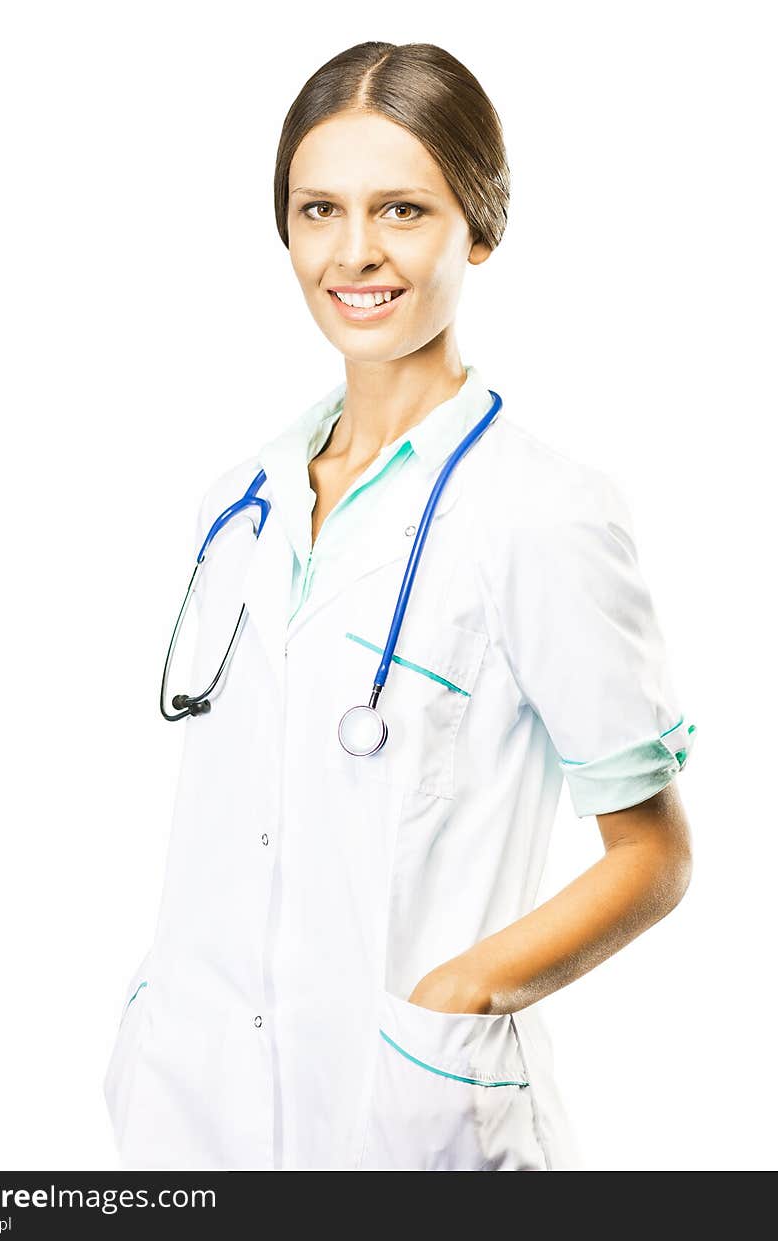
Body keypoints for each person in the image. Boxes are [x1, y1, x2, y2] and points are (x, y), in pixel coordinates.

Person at [103, 40, 697, 1172]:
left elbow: (652, 852)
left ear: (479, 227)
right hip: (190, 1101)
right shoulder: (241, 500)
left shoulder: (543, 512)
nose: (354, 252)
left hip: (407, 1122)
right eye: (318, 208)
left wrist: (459, 994)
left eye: (403, 210)